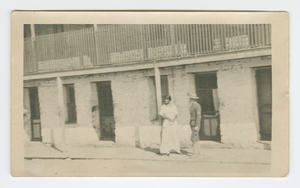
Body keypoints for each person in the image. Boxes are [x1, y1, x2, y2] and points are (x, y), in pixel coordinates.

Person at [189, 93, 202, 158]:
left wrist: (197, 125)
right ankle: (198, 152)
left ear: (193, 99)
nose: (190, 100)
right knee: (196, 138)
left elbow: (198, 116)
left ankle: (195, 153)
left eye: (191, 99)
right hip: (192, 123)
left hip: (195, 124)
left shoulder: (197, 106)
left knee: (193, 138)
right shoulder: (192, 106)